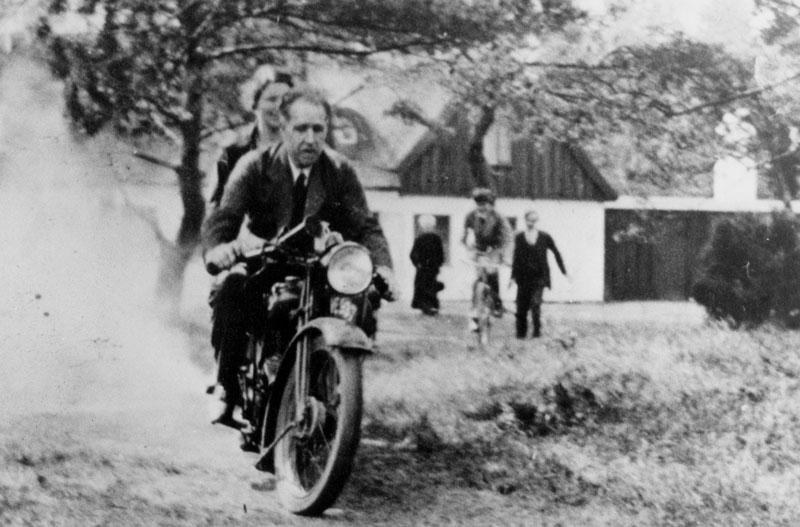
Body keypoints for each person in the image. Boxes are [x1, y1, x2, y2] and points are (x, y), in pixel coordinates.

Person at [202, 86, 396, 427]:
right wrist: (219, 249)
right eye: (300, 129)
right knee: (230, 288)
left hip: (318, 265)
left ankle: (337, 388)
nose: (310, 139)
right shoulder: (255, 166)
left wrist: (383, 267)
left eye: (318, 129)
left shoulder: (339, 170)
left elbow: (365, 226)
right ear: (282, 126)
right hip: (265, 259)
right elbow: (224, 215)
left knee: (363, 297)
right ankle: (227, 389)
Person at [209, 68, 294, 207]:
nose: (279, 107)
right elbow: (215, 213)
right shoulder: (232, 153)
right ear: (255, 102)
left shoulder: (305, 149)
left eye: (286, 100)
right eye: (271, 99)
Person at [510, 209, 567, 338]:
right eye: (529, 220)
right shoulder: (519, 237)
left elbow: (556, 252)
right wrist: (513, 277)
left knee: (536, 304)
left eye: (534, 220)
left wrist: (564, 271)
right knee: (521, 307)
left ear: (536, 221)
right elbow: (516, 258)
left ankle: (536, 332)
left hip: (539, 277)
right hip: (523, 278)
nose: (531, 223)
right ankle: (521, 334)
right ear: (525, 220)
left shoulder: (544, 237)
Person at [461, 187, 512, 317]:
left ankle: (497, 306)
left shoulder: (497, 216)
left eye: (484, 204)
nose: (481, 207)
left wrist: (505, 255)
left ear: (489, 204)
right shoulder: (471, 216)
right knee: (479, 277)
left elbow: (507, 236)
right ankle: (475, 308)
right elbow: (465, 235)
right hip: (479, 249)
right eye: (478, 204)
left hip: (495, 248)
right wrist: (468, 247)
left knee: (491, 273)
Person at [410, 214, 445, 315]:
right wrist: (417, 264)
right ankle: (427, 307)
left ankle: (431, 306)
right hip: (424, 268)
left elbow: (440, 253)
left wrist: (439, 264)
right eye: (426, 226)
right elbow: (413, 254)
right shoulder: (420, 239)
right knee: (425, 287)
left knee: (430, 287)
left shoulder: (435, 239)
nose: (428, 228)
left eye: (430, 226)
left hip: (431, 268)